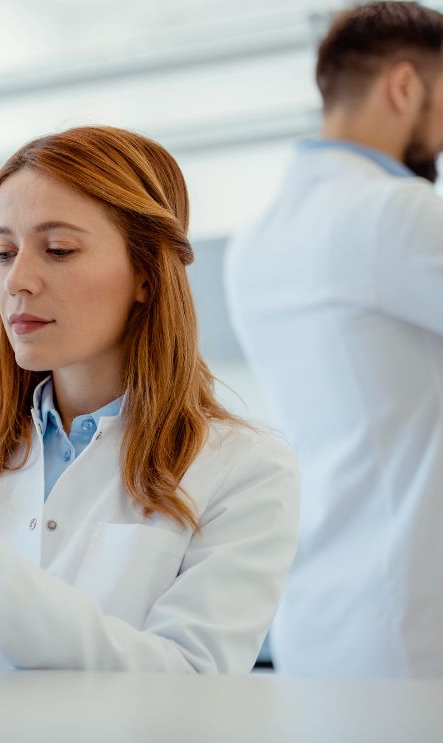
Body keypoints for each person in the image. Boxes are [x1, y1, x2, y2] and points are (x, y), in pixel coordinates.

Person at [0, 126, 300, 672]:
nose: (17, 281)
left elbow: (187, 678)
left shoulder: (244, 470)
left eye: (58, 249)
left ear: (147, 274)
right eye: (3, 252)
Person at [226, 1, 443, 677]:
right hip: (411, 625)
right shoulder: (392, 211)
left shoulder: (256, 238)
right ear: (404, 87)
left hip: (318, 616)